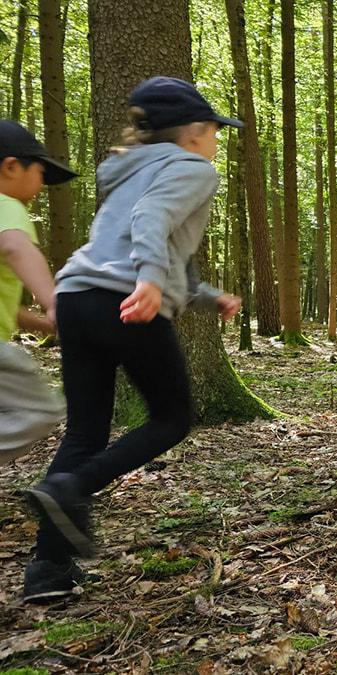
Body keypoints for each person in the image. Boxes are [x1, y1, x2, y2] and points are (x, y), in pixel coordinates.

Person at [22, 77, 243, 603]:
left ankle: (47, 571)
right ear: (192, 133)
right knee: (171, 418)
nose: (217, 141)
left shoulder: (128, 173)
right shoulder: (194, 167)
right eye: (214, 130)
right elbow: (152, 222)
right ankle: (69, 489)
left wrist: (207, 295)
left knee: (85, 433)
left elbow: (155, 245)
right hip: (125, 300)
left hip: (75, 296)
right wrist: (147, 280)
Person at [0, 120, 77, 468]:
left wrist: (46, 326)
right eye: (41, 173)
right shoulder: (7, 205)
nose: (43, 185)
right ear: (11, 166)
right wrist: (54, 302)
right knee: (41, 411)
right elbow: (16, 246)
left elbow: (8, 311)